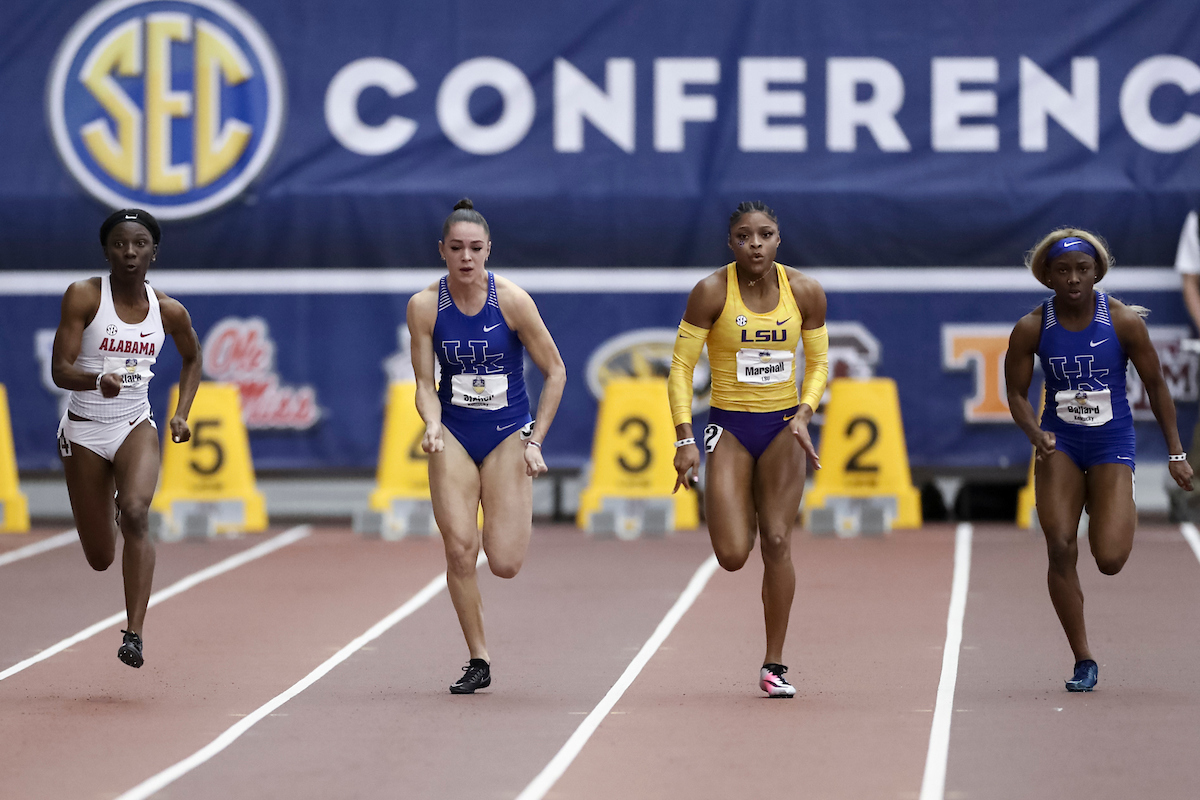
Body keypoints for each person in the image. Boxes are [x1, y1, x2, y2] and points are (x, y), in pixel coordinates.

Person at [1005, 228, 1193, 692]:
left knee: (1109, 558)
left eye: (1083, 270)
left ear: (1097, 273)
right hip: (1060, 443)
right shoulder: (1032, 327)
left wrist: (1176, 453)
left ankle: (1109, 500)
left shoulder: (1124, 322)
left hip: (1111, 442)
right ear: (1047, 276)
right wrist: (1035, 433)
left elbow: (1156, 386)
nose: (1073, 279)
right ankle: (1083, 658)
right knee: (1060, 545)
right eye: (1063, 271)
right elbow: (1015, 392)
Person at [668, 200, 829, 698]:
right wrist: (685, 438)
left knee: (778, 541)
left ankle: (774, 664)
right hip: (731, 429)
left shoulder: (804, 291)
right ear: (731, 243)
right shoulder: (711, 292)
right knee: (734, 554)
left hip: (784, 428)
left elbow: (819, 362)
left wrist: (804, 411)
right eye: (744, 236)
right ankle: (743, 501)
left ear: (779, 239)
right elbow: (679, 368)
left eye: (765, 234)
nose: (754, 244)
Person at [407, 198, 566, 694]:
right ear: (442, 251)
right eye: (456, 248)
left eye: (475, 248)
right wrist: (431, 424)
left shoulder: (514, 302)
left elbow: (556, 371)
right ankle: (479, 658)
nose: (466, 258)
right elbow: (424, 381)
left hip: (506, 435)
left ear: (489, 250)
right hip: (454, 431)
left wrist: (536, 441)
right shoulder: (423, 306)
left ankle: (510, 501)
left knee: (504, 562)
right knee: (459, 550)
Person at [51, 208, 203, 668]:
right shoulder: (83, 297)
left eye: (139, 244)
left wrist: (180, 414)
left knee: (136, 512)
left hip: (135, 423)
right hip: (84, 431)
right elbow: (60, 370)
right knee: (100, 557)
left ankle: (133, 633)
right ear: (106, 251)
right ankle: (109, 507)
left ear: (154, 252)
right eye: (119, 244)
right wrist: (98, 381)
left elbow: (193, 359)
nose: (130, 252)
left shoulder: (169, 311)